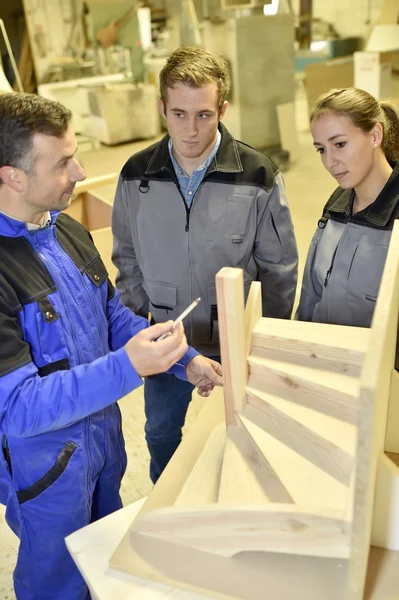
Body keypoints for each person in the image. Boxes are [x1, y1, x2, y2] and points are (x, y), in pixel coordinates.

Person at [0, 92, 222, 600]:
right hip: (47, 472)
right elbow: (16, 407)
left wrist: (181, 361)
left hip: (102, 447)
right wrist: (127, 367)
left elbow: (110, 315)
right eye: (61, 164)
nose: (79, 172)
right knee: (58, 582)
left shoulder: (65, 230)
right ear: (13, 176)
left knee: (105, 564)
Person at [112, 46, 298, 484]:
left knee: (242, 434)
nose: (190, 129)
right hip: (165, 341)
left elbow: (279, 271)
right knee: (160, 435)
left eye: (203, 115)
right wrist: (144, 326)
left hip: (237, 341)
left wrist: (260, 341)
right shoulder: (136, 174)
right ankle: (166, 503)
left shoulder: (258, 174)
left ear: (223, 109)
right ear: (161, 107)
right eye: (178, 114)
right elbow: (127, 258)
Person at [296, 87, 399, 365]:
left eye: (339, 144)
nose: (330, 162)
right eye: (321, 149)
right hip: (323, 368)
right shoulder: (336, 205)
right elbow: (311, 295)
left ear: (375, 135)